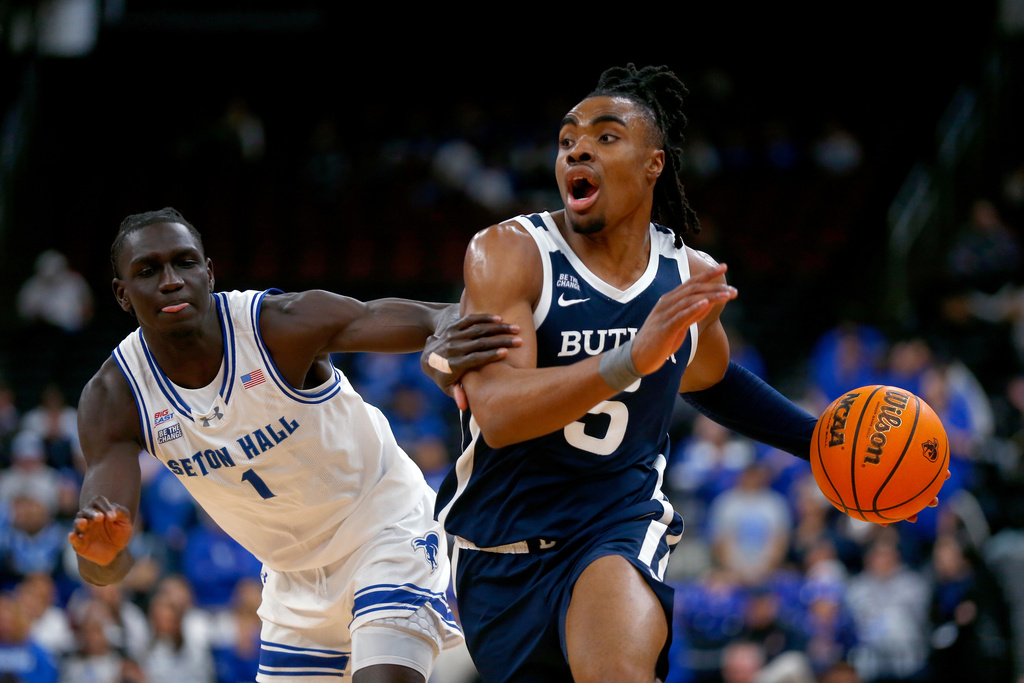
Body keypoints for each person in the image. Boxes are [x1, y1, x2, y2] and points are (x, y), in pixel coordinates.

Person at [431, 64, 898, 683]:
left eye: (605, 136)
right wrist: (631, 358)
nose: (578, 149)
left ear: (654, 163)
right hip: (500, 547)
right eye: (568, 139)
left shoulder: (685, 273)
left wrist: (815, 443)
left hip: (613, 523)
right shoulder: (510, 253)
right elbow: (499, 415)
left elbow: (713, 379)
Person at [68, 207, 519, 683]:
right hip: (292, 580)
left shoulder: (275, 327)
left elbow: (423, 316)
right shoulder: (114, 399)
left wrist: (446, 329)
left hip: (385, 528)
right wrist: (104, 557)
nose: (171, 280)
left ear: (209, 271)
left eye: (185, 263)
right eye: (148, 271)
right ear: (122, 294)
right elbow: (102, 567)